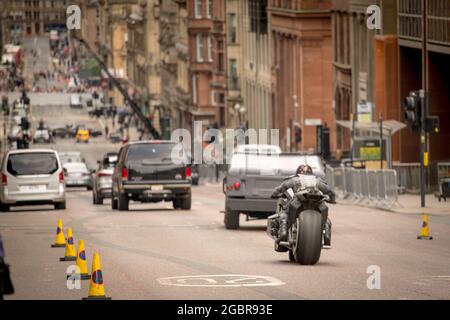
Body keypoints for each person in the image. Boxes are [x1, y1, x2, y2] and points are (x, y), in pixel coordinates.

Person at [271, 164, 335, 245]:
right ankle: (327, 235)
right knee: (326, 218)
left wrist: (274, 194)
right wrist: (332, 200)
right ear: (311, 172)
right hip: (316, 202)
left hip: (298, 201)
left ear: (298, 172)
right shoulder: (317, 180)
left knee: (284, 213)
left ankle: (283, 232)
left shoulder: (294, 179)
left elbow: (281, 188)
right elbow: (329, 192)